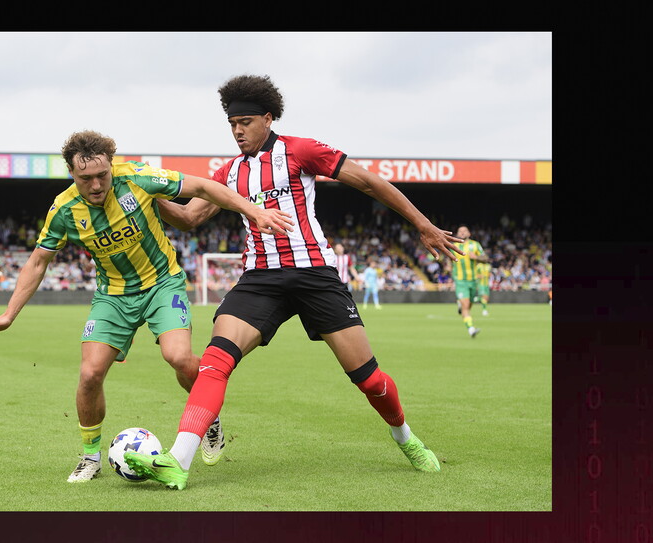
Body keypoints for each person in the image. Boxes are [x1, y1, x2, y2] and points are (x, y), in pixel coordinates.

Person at [126, 73, 464, 490]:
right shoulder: (228, 172)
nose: (237, 131)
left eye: (245, 122)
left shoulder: (300, 151)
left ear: (268, 118)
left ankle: (405, 437)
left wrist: (423, 225)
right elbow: (190, 217)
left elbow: (369, 182)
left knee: (369, 379)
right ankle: (178, 460)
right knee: (215, 359)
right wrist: (142, 194)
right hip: (259, 279)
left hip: (315, 275)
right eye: (231, 124)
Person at [0, 130, 292, 483]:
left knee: (180, 359)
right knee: (90, 374)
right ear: (72, 175)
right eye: (85, 178)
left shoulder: (137, 177)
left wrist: (253, 211)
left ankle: (208, 417)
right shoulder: (63, 210)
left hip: (161, 283)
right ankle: (91, 456)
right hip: (113, 296)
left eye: (102, 175)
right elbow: (37, 262)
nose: (95, 185)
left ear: (112, 165)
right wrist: (9, 314)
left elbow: (202, 188)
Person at [450, 225, 487, 337]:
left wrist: (477, 258)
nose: (462, 233)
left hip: (473, 280)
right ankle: (471, 329)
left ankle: (461, 306)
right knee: (466, 305)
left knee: (468, 306)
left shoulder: (475, 245)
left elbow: (485, 258)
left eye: (464, 231)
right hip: (460, 281)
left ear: (469, 233)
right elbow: (449, 260)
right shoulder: (453, 246)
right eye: (459, 231)